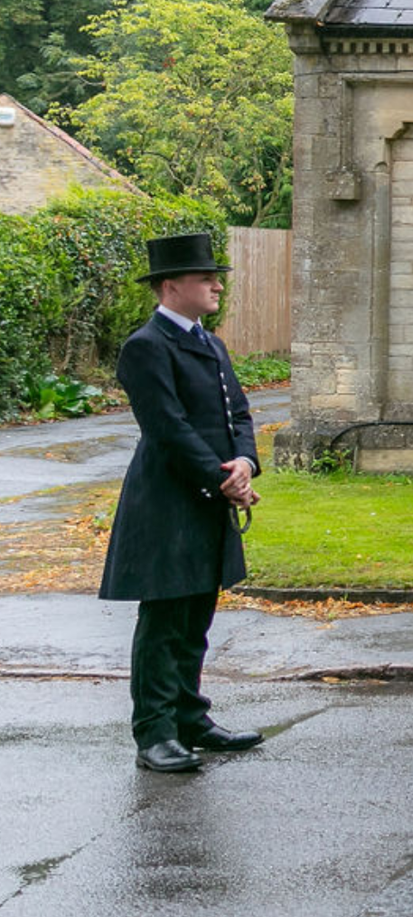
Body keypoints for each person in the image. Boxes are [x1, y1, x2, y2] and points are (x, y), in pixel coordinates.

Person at [98, 231, 264, 774]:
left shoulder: (211, 344)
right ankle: (155, 733)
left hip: (209, 497)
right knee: (165, 620)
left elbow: (238, 414)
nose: (217, 286)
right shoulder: (146, 346)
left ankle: (190, 719)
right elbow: (167, 428)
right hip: (166, 503)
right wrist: (224, 479)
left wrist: (245, 463)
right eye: (205, 278)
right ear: (171, 286)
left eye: (216, 277)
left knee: (196, 616)